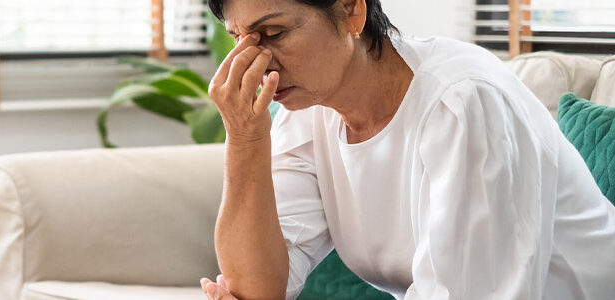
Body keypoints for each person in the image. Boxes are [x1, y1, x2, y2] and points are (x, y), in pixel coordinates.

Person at [198, 0, 615, 299]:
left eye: (273, 33)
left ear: (351, 11)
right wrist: (245, 136)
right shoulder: (308, 111)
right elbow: (257, 288)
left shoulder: (462, 103)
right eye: (240, 39)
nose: (256, 60)